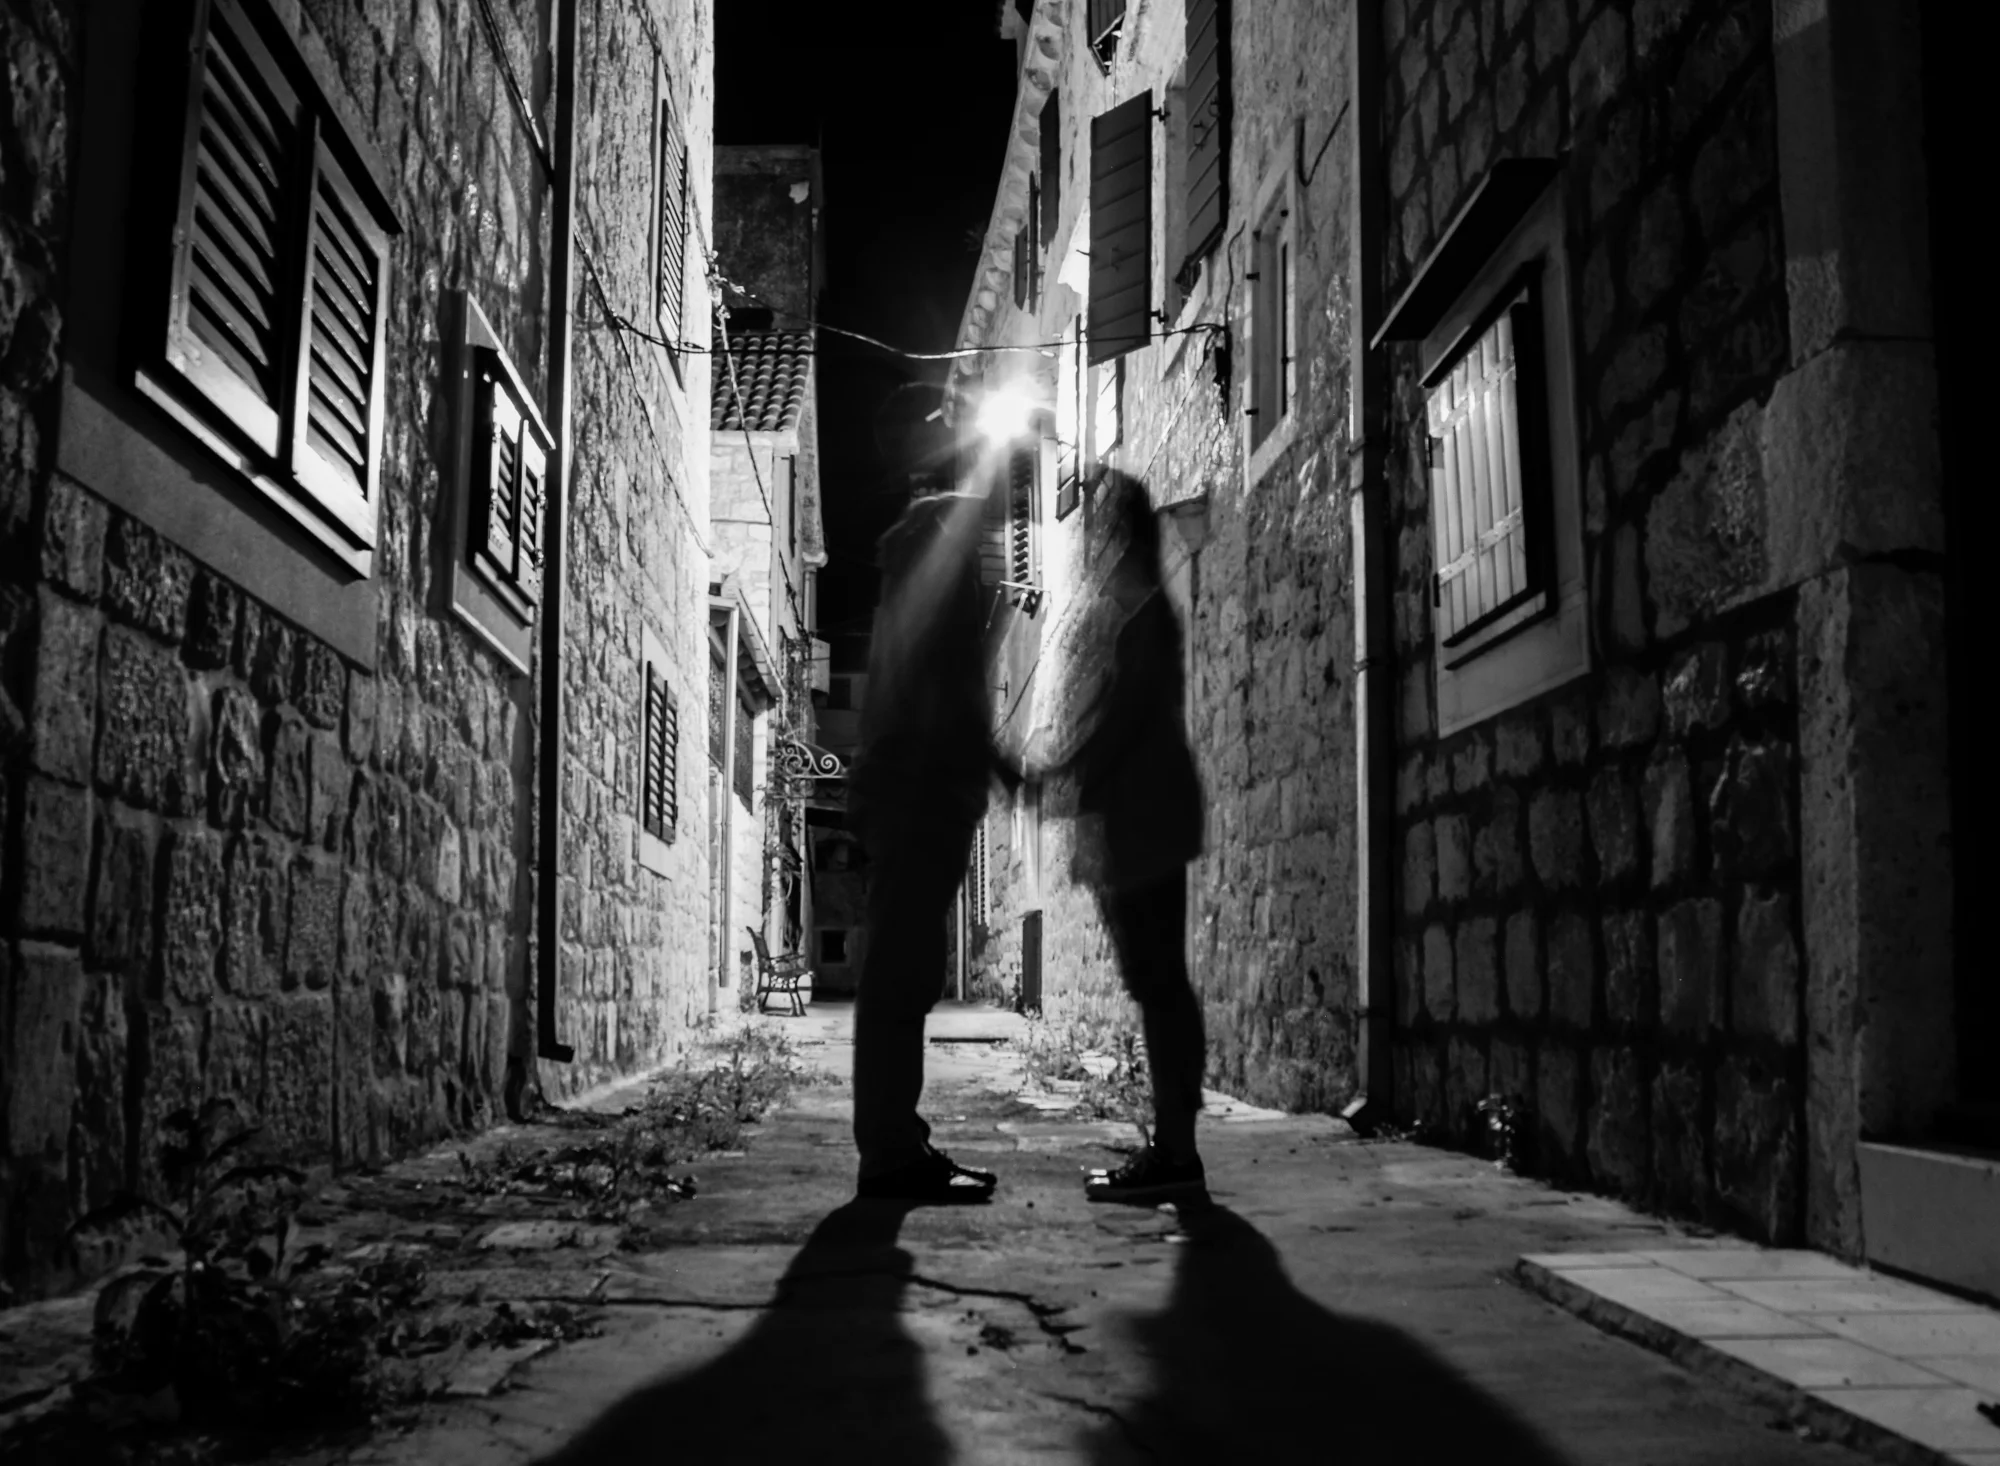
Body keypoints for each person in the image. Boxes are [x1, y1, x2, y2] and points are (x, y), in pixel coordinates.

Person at [847, 490, 1017, 1203]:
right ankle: (890, 1153)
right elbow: (952, 703)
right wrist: (1011, 770)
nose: (991, 556)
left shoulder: (904, 601)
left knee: (901, 980)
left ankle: (895, 1142)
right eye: (982, 540)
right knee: (900, 980)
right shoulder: (936, 603)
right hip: (921, 801)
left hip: (905, 798)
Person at [1055, 473, 1209, 1204]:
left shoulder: (1143, 617)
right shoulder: (1143, 613)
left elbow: (1121, 725)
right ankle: (1176, 1140)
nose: (1089, 548)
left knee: (1159, 987)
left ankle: (1177, 1146)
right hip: (1151, 816)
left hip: (1146, 818)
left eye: (1096, 532)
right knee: (1160, 987)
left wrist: (1059, 771)